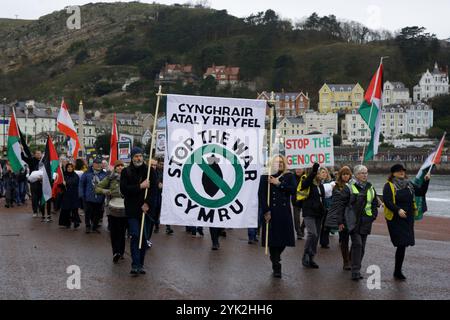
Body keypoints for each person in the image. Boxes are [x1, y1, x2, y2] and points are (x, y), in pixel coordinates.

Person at [383, 164, 430, 281]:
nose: (401, 172)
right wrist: (398, 209)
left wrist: (426, 181)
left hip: (408, 218)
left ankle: (397, 271)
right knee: (401, 243)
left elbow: (421, 192)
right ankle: (397, 271)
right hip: (395, 218)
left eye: (403, 171)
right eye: (398, 171)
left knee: (403, 245)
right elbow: (388, 202)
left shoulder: (409, 184)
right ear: (393, 173)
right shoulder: (389, 185)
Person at [334, 164, 379, 281]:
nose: (364, 175)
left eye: (366, 173)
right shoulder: (349, 187)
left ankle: (356, 267)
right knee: (357, 244)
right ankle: (355, 270)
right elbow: (341, 205)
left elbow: (374, 202)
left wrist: (373, 215)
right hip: (353, 221)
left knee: (362, 247)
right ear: (356, 175)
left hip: (366, 221)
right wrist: (340, 221)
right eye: (362, 173)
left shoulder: (370, 187)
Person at [120, 147, 158, 276]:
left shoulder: (150, 171)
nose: (138, 158)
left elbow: (153, 190)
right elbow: (124, 189)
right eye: (136, 156)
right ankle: (135, 264)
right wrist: (140, 186)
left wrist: (147, 203)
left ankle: (140, 264)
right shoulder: (126, 171)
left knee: (144, 238)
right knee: (135, 235)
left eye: (140, 156)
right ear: (132, 158)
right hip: (132, 210)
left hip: (146, 210)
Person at [259, 155, 296, 278]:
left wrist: (278, 183)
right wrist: (266, 211)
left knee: (284, 240)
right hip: (271, 213)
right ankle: (276, 265)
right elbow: (262, 194)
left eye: (281, 162)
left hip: (284, 212)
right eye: (276, 162)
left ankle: (275, 256)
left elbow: (293, 190)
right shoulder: (265, 176)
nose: (279, 164)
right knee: (273, 240)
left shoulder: (289, 176)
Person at [96, 160, 127, 263]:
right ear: (115, 168)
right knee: (114, 232)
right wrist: (106, 191)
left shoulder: (129, 177)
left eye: (122, 166)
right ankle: (115, 252)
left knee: (122, 231)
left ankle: (121, 251)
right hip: (112, 208)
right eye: (118, 166)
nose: (120, 168)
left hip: (125, 208)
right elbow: (97, 188)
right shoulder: (110, 178)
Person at [326, 166, 353, 270]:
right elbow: (335, 202)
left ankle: (350, 258)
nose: (346, 176)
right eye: (344, 174)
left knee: (355, 240)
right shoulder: (336, 186)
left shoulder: (354, 185)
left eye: (347, 174)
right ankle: (346, 261)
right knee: (344, 239)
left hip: (352, 216)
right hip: (341, 215)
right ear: (340, 175)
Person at [300, 163, 326, 269]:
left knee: (316, 237)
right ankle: (305, 254)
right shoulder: (308, 182)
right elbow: (304, 185)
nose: (321, 174)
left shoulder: (320, 185)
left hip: (318, 213)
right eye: (319, 173)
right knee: (312, 233)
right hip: (309, 212)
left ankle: (311, 257)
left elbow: (322, 199)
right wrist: (313, 171)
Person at [79, 157, 108, 233]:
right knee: (88, 212)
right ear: (93, 164)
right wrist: (81, 194)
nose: (98, 165)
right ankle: (88, 226)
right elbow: (81, 184)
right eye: (97, 163)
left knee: (98, 213)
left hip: (100, 197)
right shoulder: (87, 173)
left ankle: (95, 226)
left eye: (100, 163)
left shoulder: (105, 174)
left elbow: (107, 185)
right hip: (88, 197)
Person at [58, 163, 81, 229]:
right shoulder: (63, 175)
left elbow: (75, 182)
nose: (69, 168)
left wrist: (66, 182)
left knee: (74, 209)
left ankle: (76, 222)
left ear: (73, 168)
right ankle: (66, 223)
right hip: (66, 195)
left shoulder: (75, 175)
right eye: (68, 167)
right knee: (66, 209)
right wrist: (62, 184)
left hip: (74, 194)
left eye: (71, 167)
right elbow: (59, 184)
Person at [24, 150, 42, 217]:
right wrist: (22, 151)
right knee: (34, 198)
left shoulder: (43, 161)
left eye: (39, 153)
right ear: (34, 154)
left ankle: (41, 209)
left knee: (41, 197)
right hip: (33, 182)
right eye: (37, 153)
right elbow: (24, 158)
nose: (38, 154)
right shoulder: (31, 160)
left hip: (41, 182)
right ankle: (35, 211)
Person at [292, 168, 306, 240]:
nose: (298, 170)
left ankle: (302, 228)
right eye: (296, 169)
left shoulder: (306, 176)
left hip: (305, 200)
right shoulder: (292, 177)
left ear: (303, 169)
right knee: (296, 218)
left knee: (306, 216)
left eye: (300, 169)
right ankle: (298, 232)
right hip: (296, 200)